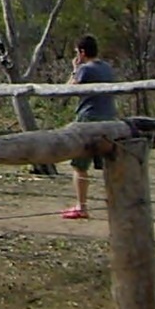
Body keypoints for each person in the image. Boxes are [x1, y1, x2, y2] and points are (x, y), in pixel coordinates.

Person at [62, 35, 117, 219]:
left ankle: (82, 206)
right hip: (109, 118)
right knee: (109, 165)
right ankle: (116, 203)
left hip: (88, 118)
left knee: (80, 166)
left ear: (82, 52)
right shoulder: (107, 68)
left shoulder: (85, 70)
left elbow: (67, 89)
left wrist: (74, 70)